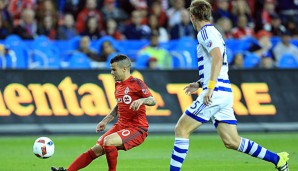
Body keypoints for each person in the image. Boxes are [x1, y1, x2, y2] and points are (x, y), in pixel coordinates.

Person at [169, 1, 289, 171]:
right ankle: (277, 159)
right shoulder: (214, 32)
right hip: (224, 91)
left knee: (181, 129)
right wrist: (199, 83)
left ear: (192, 16)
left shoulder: (204, 32)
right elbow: (216, 64)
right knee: (232, 141)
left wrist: (209, 88)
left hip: (215, 92)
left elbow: (217, 58)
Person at [51, 54, 156, 171]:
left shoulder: (137, 83)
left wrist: (142, 100)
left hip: (137, 128)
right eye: (111, 69)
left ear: (124, 69)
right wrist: (105, 120)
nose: (111, 72)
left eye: (114, 69)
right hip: (121, 126)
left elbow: (152, 100)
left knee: (108, 141)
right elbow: (119, 105)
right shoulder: (119, 85)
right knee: (96, 149)